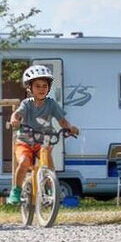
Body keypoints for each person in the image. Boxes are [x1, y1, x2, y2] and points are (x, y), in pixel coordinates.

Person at [7, 64, 79, 205]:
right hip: (25, 141)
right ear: (30, 88)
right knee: (24, 162)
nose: (41, 89)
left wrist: (70, 128)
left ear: (49, 88)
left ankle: (51, 188)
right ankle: (16, 190)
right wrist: (14, 120)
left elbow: (62, 121)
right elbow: (17, 114)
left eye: (44, 86)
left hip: (43, 141)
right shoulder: (27, 104)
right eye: (37, 86)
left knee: (48, 162)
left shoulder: (51, 104)